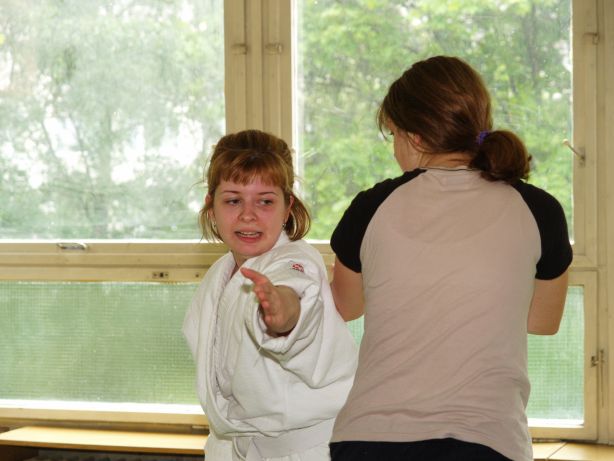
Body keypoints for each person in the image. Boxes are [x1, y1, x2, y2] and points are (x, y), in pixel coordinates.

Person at [328, 56, 573, 461]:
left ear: (415, 138)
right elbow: (542, 321)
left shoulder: (372, 206)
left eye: (393, 135)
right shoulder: (539, 210)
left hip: (371, 438)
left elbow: (346, 306)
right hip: (488, 442)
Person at [182, 129, 358, 461]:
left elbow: (296, 294)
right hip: (243, 447)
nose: (248, 214)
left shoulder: (295, 261)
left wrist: (281, 314)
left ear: (287, 207)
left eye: (265, 201)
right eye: (233, 200)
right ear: (211, 206)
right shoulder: (220, 273)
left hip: (307, 450)